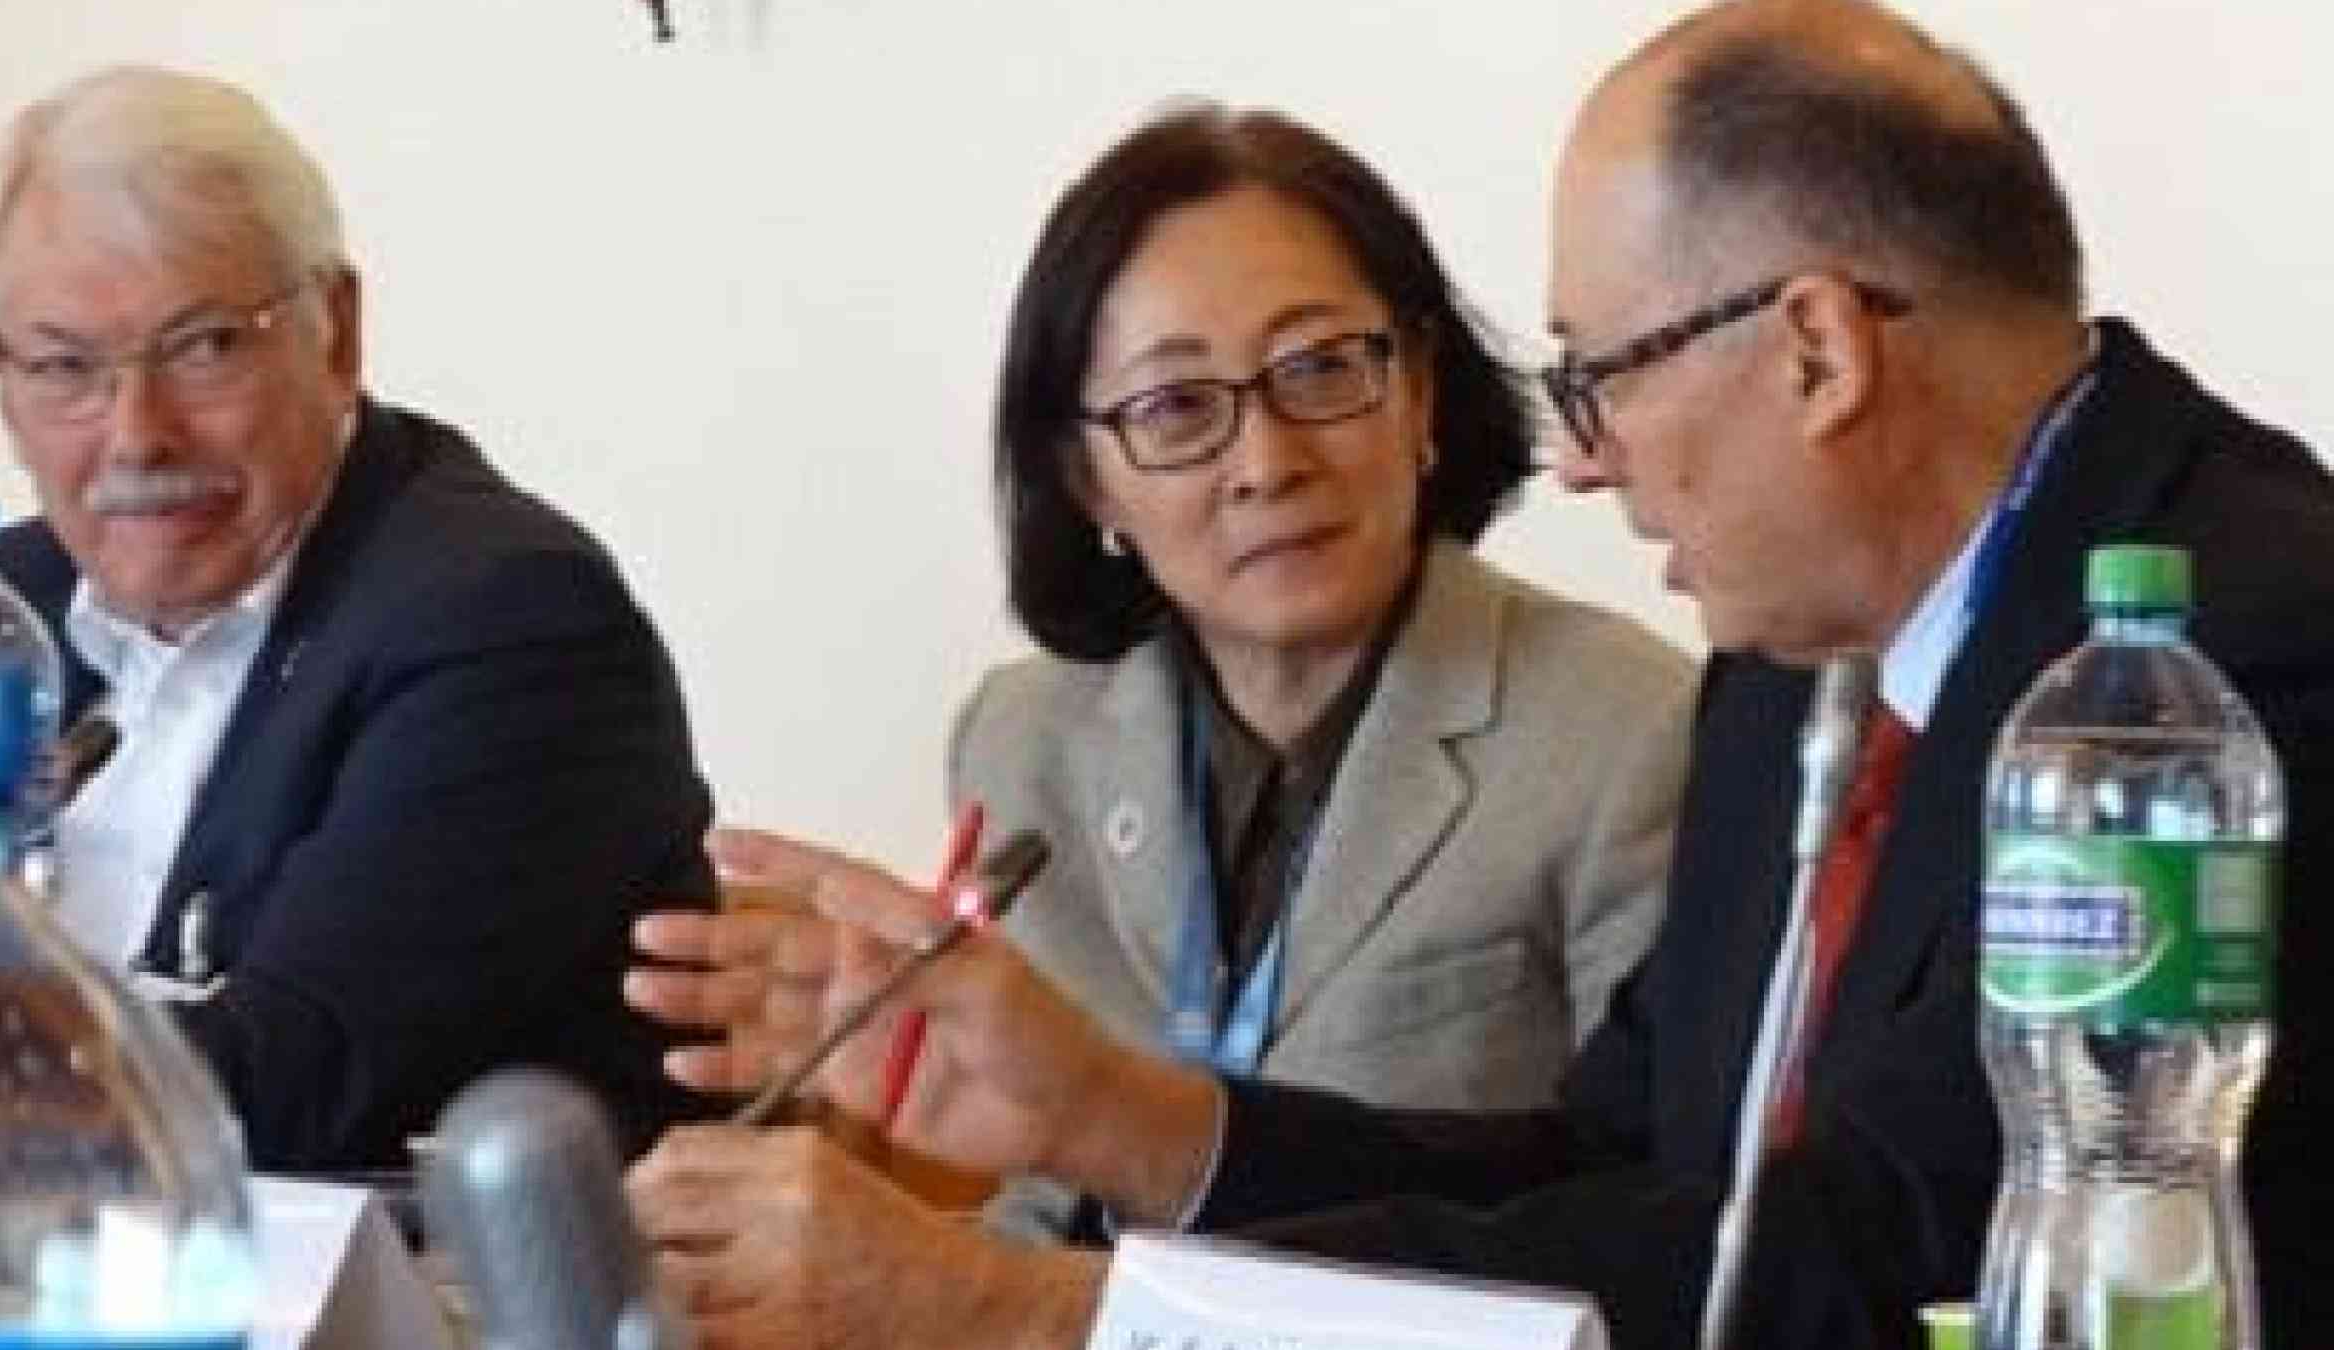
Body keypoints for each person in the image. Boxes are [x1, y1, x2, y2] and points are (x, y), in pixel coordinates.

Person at [625, 4, 2334, 1349]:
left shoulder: (2243, 660)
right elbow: (1626, 1174)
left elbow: (1903, 1263)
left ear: (1815, 348)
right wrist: (1121, 1120)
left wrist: (1041, 1322)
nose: (1583, 464)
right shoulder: (1800, 666)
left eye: (1599, 375)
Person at [628, 105, 1692, 1237]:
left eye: (1322, 370)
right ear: (1087, 483)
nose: (1269, 462)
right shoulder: (1023, 740)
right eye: (1178, 408)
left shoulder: (1627, 735)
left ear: (1421, 394)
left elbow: (1639, 1223)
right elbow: (1047, 1208)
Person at [0, 66, 717, 1169]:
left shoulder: (506, 623)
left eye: (203, 346)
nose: (138, 435)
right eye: (67, 368)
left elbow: (281, 1087)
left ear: (336, 329)